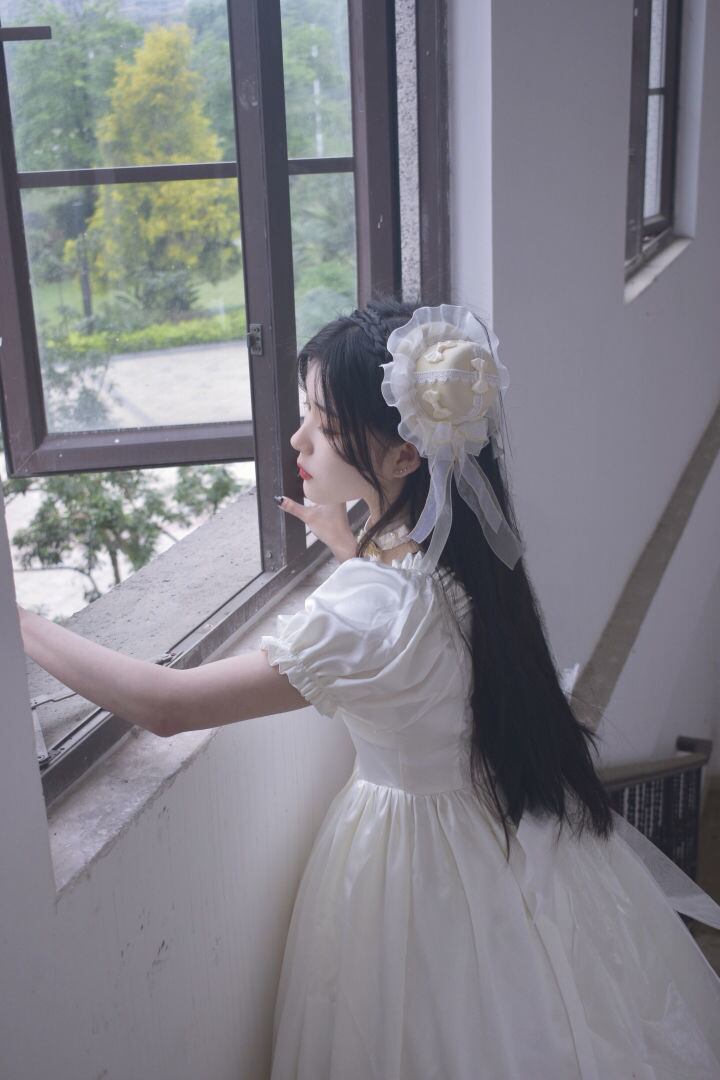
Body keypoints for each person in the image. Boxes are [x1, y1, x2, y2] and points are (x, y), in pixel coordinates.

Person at [17, 297, 720, 1079]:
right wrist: (353, 550)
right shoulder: (464, 562)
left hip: (411, 867)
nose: (298, 440)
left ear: (405, 458)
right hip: (493, 827)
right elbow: (419, 652)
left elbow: (167, 705)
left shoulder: (376, 604)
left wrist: (23, 623)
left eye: (321, 424)